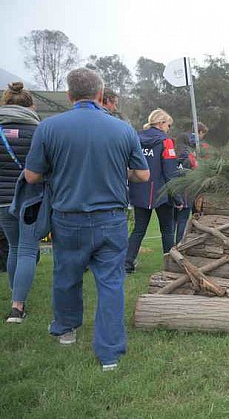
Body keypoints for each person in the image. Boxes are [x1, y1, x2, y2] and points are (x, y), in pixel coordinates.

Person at [24, 67, 149, 371]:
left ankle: (66, 329)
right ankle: (109, 355)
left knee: (67, 276)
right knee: (111, 283)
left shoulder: (49, 127)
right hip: (111, 219)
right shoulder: (122, 129)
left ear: (69, 95)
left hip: (68, 218)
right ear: (100, 94)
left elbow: (31, 176)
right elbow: (142, 175)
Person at [0, 82, 41, 323]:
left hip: (3, 199)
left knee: (14, 247)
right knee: (27, 248)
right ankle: (17, 306)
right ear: (30, 105)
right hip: (31, 198)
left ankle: (16, 295)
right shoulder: (39, 131)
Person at [125, 108, 181, 273]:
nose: (168, 129)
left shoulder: (135, 138)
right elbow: (170, 172)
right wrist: (177, 198)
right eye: (168, 125)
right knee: (167, 230)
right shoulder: (166, 141)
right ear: (162, 123)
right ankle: (170, 265)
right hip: (161, 193)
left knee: (139, 230)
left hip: (139, 190)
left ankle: (126, 264)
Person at [173, 122, 208, 244]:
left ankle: (175, 244)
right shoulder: (189, 153)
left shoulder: (176, 152)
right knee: (183, 218)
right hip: (187, 190)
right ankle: (180, 243)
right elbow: (194, 168)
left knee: (175, 220)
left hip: (176, 189)